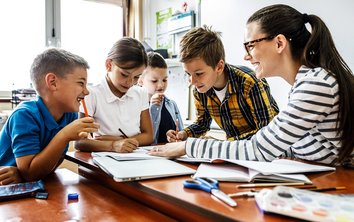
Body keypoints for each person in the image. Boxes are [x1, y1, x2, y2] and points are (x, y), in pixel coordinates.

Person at [150, 4, 354, 166]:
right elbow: (291, 147)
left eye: (250, 45)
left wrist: (188, 147)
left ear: (279, 43)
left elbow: (259, 148)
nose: (246, 56)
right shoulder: (306, 83)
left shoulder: (315, 84)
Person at [0, 48, 98, 184]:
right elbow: (29, 173)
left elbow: (49, 167)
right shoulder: (25, 115)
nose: (86, 92)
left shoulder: (69, 115)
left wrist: (22, 176)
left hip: (31, 186)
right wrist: (64, 135)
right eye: (81, 83)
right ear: (53, 82)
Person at [166, 26, 279, 143]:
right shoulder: (200, 89)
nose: (192, 81)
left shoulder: (249, 82)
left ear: (219, 67)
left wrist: (221, 144)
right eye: (188, 74)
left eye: (199, 74)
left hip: (269, 151)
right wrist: (183, 134)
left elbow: (266, 132)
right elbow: (202, 124)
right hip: (234, 151)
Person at [74, 37, 153, 153]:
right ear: (108, 65)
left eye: (137, 77)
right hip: (102, 161)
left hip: (135, 157)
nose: (130, 82)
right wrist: (113, 145)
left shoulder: (140, 93)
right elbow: (80, 142)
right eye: (124, 75)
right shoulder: (91, 94)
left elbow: (148, 136)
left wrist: (120, 140)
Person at [138, 51, 184, 144]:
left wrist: (176, 137)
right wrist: (153, 108)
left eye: (164, 80)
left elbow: (182, 135)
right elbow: (148, 141)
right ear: (140, 81)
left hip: (169, 155)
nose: (161, 85)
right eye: (154, 81)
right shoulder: (136, 106)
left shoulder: (172, 104)